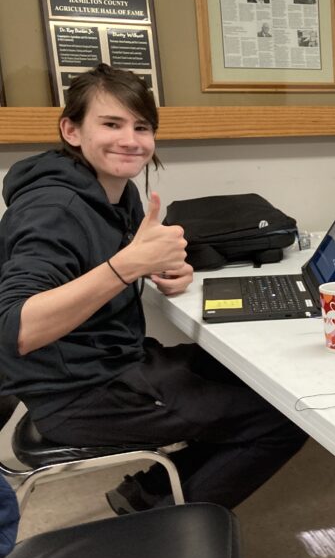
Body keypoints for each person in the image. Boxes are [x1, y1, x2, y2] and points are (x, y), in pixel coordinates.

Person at [0, 64, 307, 514]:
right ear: (71, 130)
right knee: (290, 414)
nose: (130, 139)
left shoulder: (115, 192)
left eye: (141, 127)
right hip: (82, 393)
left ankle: (148, 491)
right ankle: (159, 522)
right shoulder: (54, 206)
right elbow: (17, 329)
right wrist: (127, 267)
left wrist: (161, 269)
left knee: (255, 374)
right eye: (111, 124)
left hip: (117, 363)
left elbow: (98, 268)